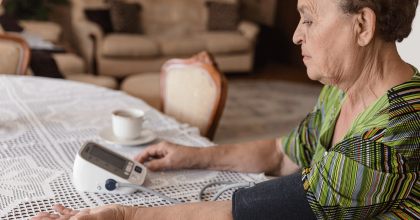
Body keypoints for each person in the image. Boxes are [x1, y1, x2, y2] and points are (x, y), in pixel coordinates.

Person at [31, 0, 420, 219]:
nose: (296, 33)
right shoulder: (340, 91)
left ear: (363, 26)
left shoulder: (400, 130)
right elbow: (282, 154)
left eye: (309, 17)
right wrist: (193, 156)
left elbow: (260, 211)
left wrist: (127, 216)